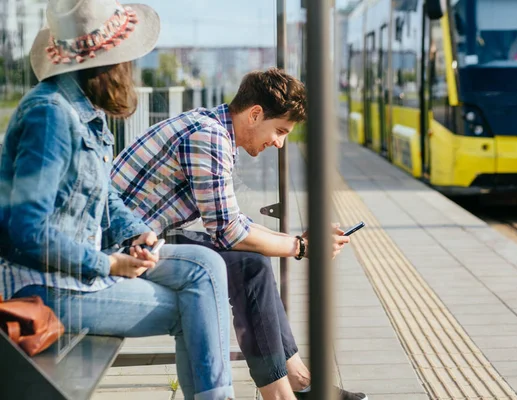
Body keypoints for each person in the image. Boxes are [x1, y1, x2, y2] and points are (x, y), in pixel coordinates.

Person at [0, 1, 233, 399]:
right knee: (193, 308)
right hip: (45, 286)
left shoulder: (81, 107)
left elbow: (104, 194)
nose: (132, 69)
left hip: (73, 271)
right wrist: (109, 263)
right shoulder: (51, 116)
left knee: (207, 266)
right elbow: (26, 230)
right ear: (109, 64)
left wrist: (136, 233)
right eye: (128, 59)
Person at [112, 68, 368, 400]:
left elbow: (232, 224)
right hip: (121, 250)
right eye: (279, 130)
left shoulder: (210, 129)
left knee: (251, 259)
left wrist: (301, 240)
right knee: (249, 263)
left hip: (147, 238)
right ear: (255, 113)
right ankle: (284, 391)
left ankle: (297, 380)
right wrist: (302, 247)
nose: (279, 143)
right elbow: (229, 233)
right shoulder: (208, 137)